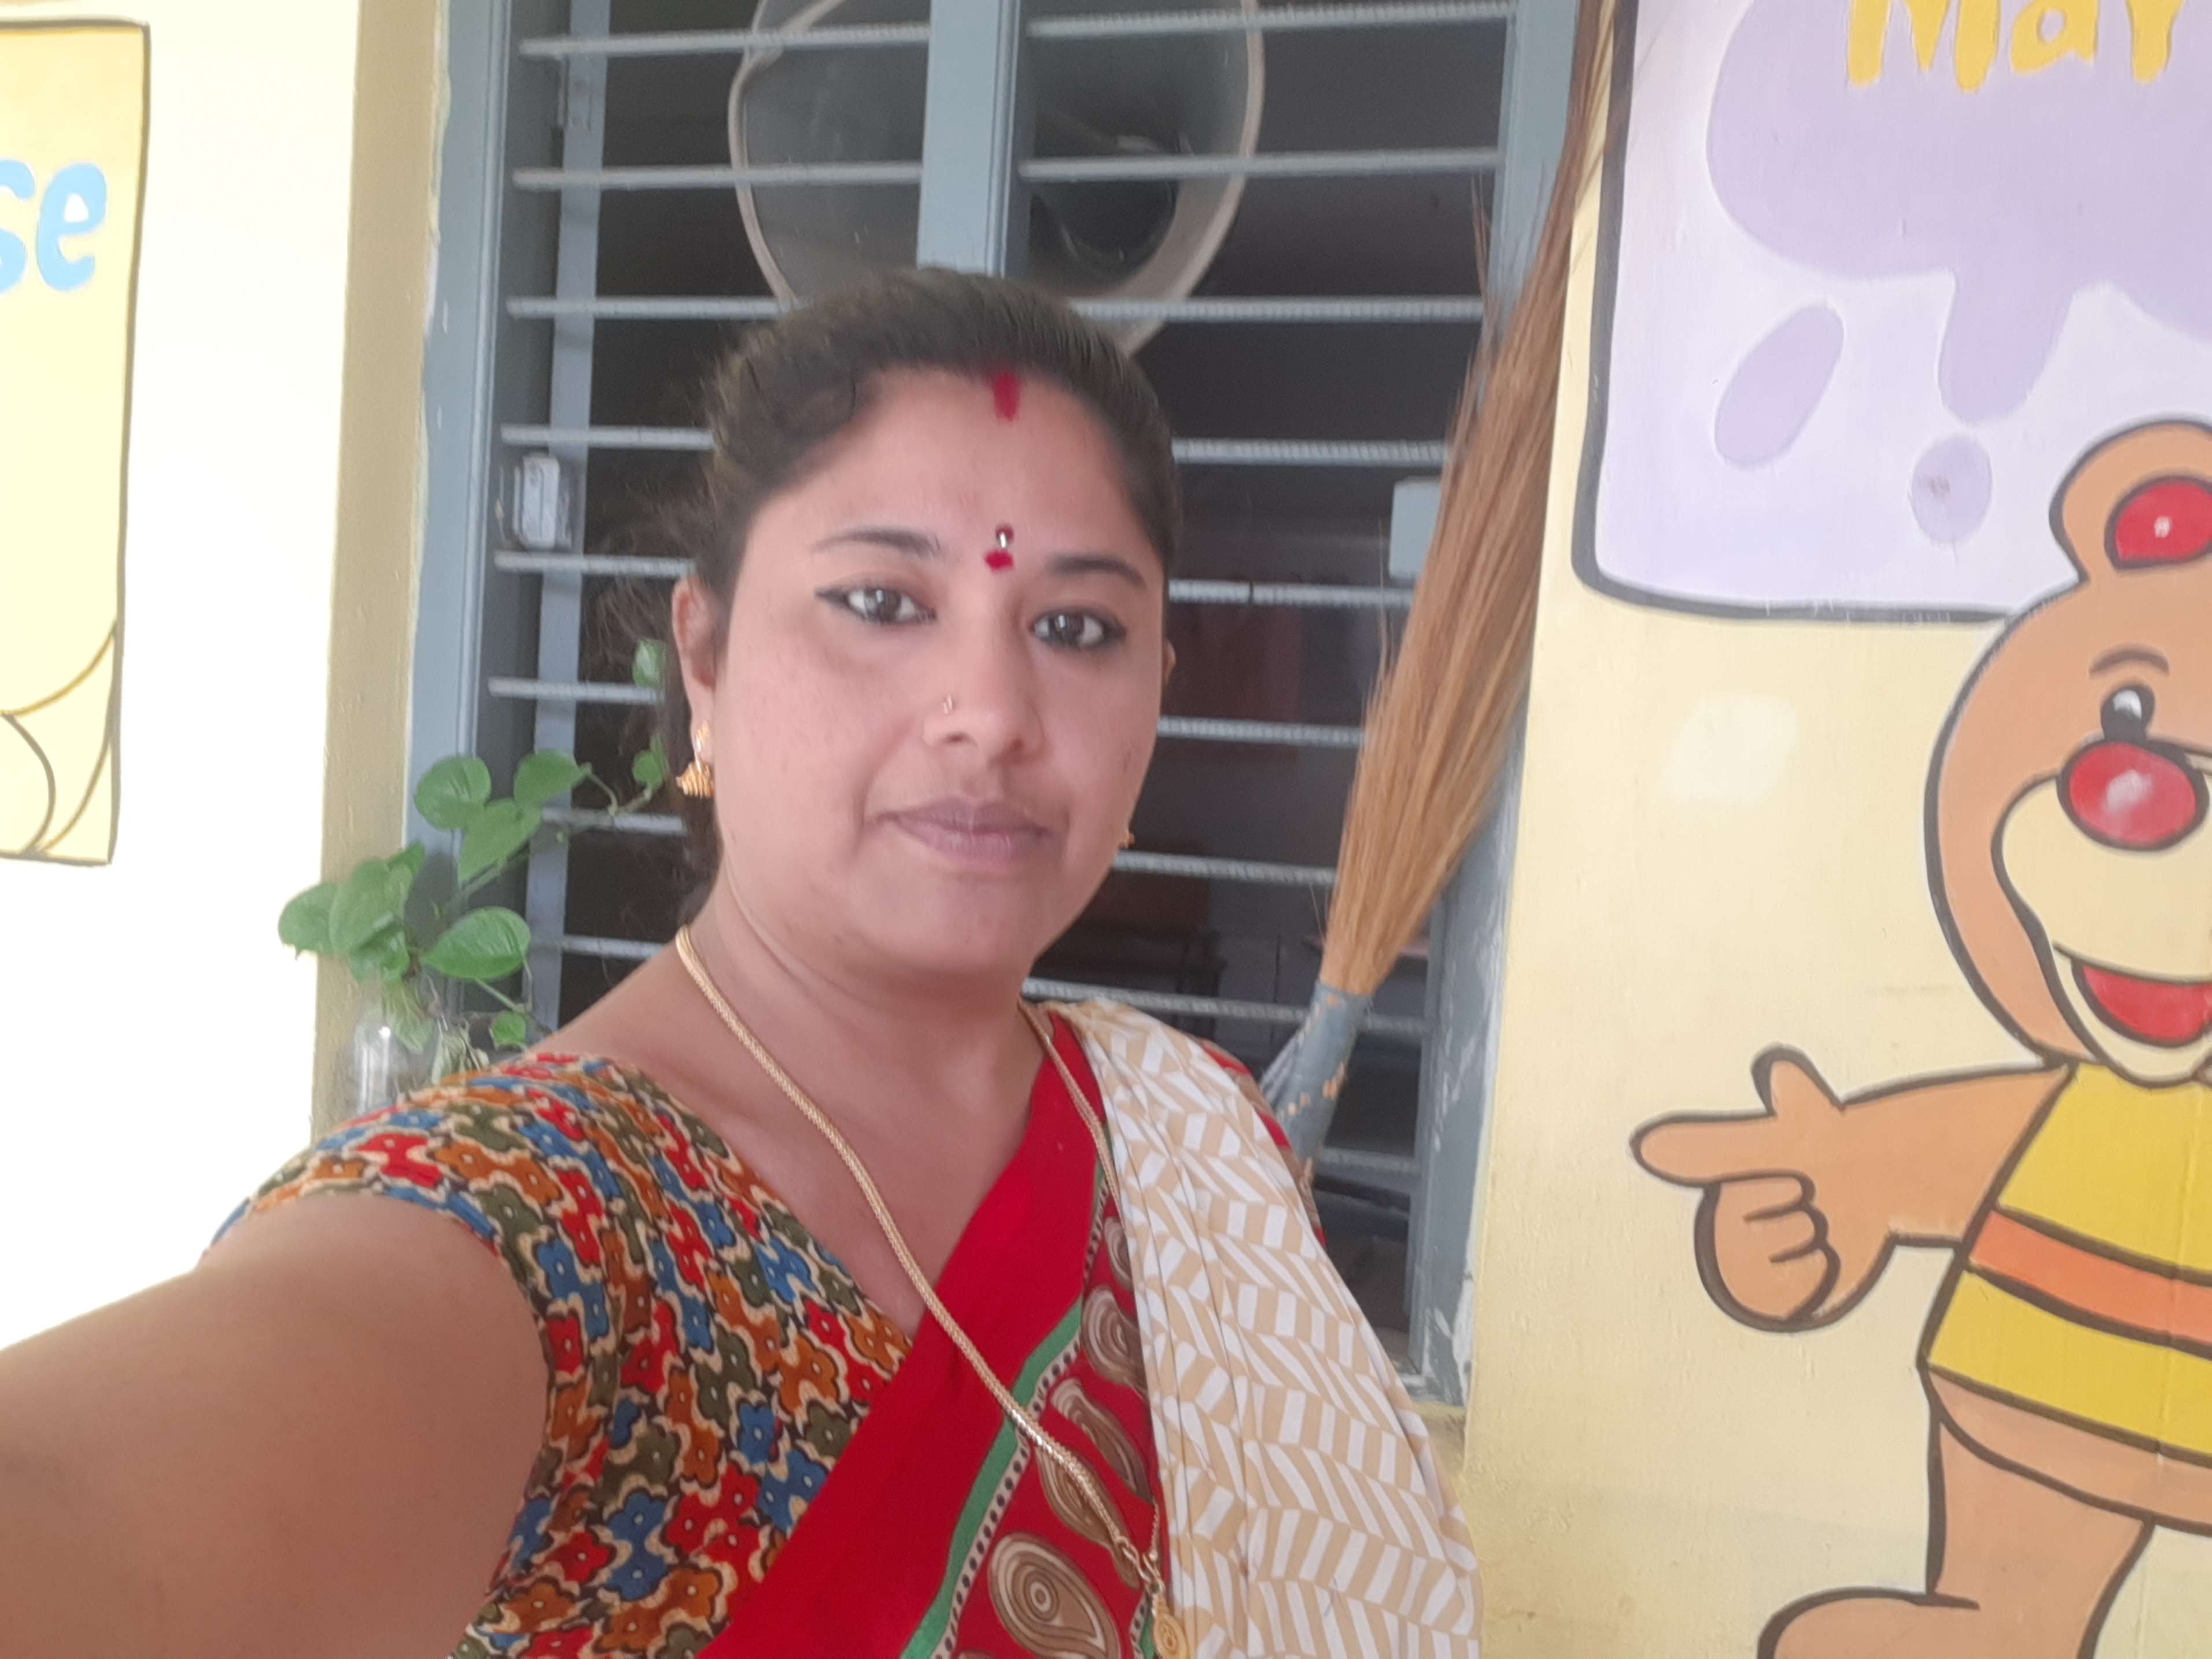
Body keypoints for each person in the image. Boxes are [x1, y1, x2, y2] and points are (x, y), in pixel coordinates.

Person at [0, 270, 1477, 1659]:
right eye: (883, 602)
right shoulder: (549, 1223)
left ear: (1156, 691)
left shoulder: (1188, 1135)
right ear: (703, 658)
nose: (989, 710)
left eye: (1076, 627)